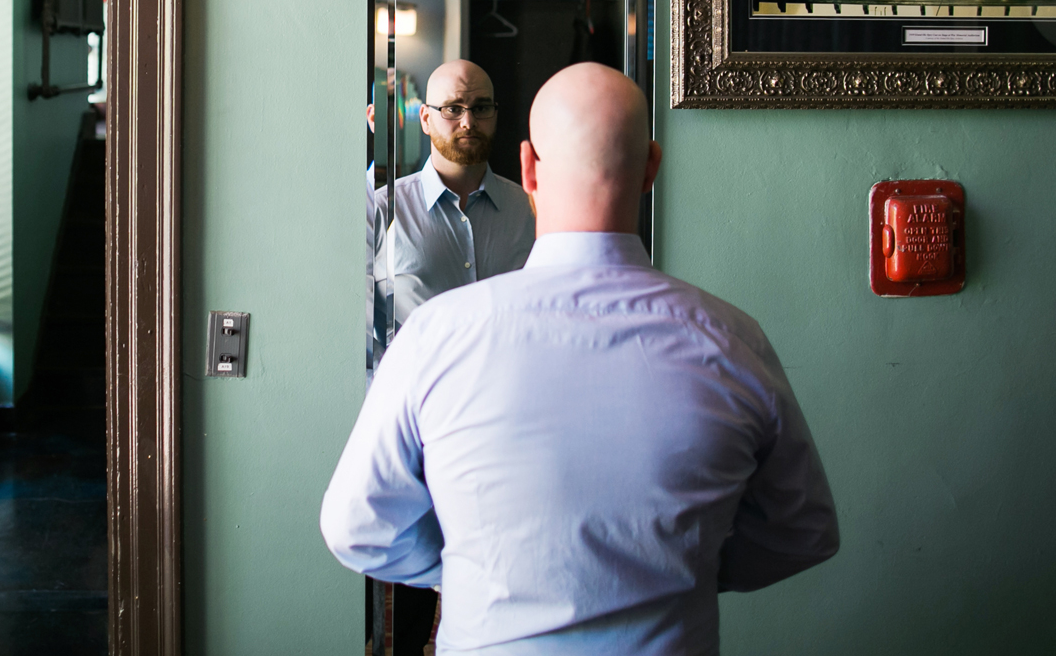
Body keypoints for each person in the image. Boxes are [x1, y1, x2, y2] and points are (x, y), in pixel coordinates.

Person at [325, 64, 840, 654]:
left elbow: (359, 528)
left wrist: (476, 564)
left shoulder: (434, 338)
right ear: (652, 167)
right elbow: (803, 532)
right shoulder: (732, 340)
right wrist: (673, 569)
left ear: (528, 167)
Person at [370, 57, 536, 651]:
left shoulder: (528, 209)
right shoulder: (383, 207)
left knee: (500, 577)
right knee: (412, 586)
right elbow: (350, 314)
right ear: (425, 117)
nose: (468, 120)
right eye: (453, 108)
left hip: (511, 426)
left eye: (481, 107)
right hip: (418, 429)